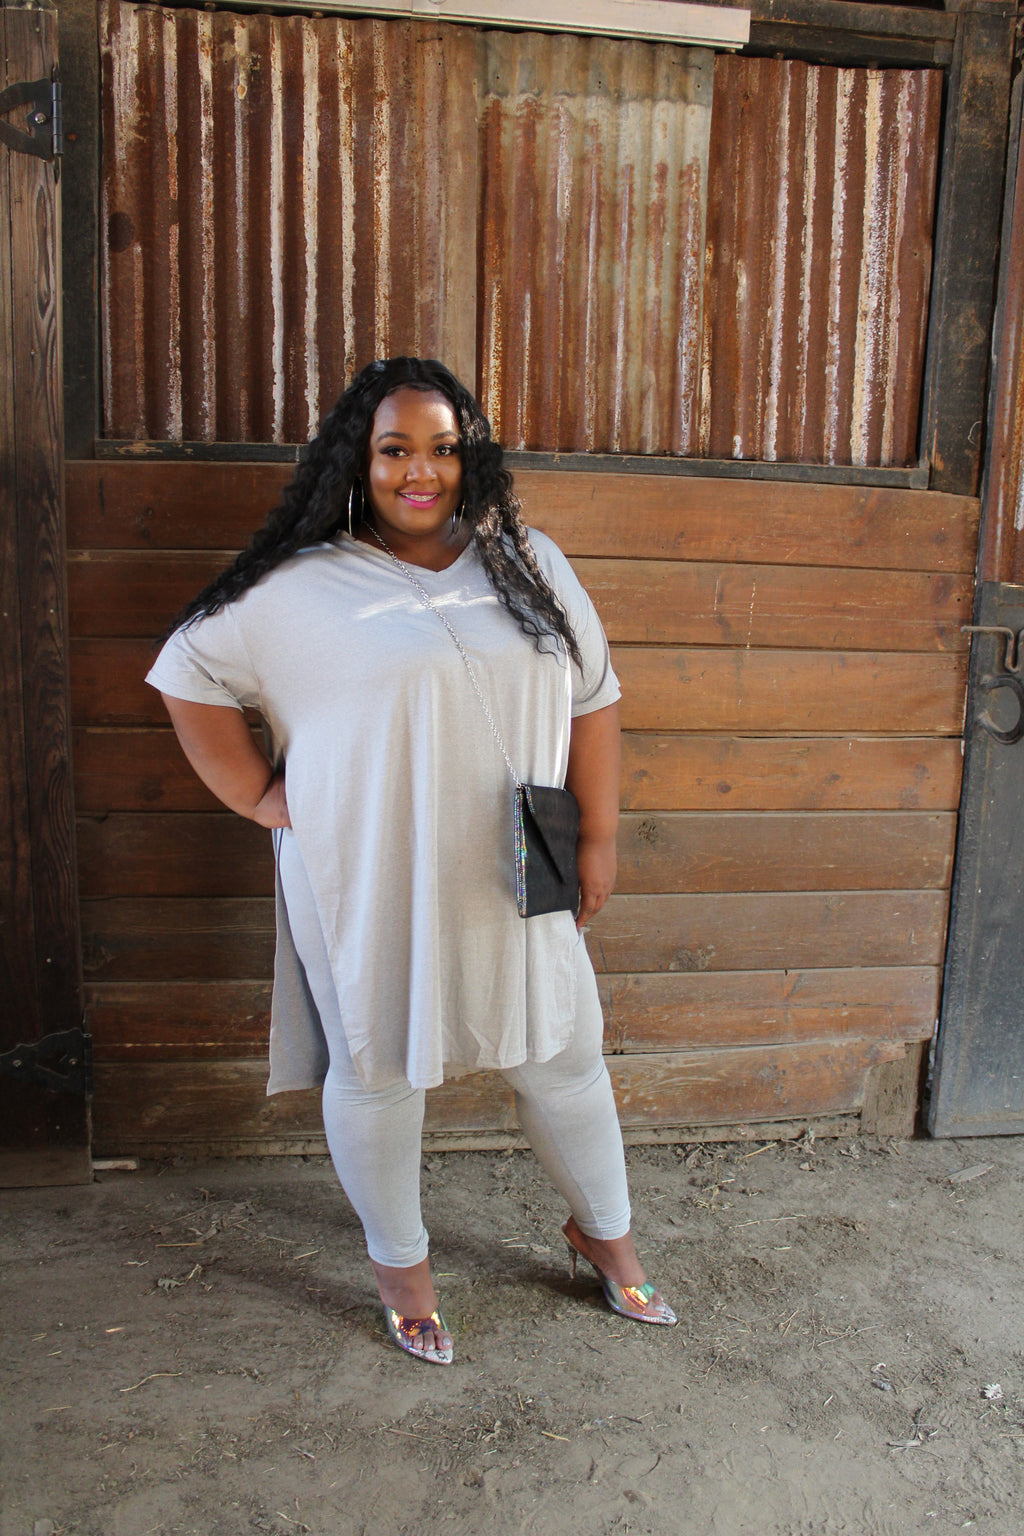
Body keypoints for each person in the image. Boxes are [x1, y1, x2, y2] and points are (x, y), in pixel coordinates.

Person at [146, 357, 676, 1365]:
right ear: (360, 459)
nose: (420, 471)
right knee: (379, 1067)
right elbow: (189, 673)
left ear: (471, 459)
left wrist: (599, 838)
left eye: (443, 448)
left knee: (562, 1052)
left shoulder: (528, 561)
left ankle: (606, 1237)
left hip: (525, 851)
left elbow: (592, 700)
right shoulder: (297, 585)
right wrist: (258, 794)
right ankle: (403, 1272)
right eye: (395, 450)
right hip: (366, 871)